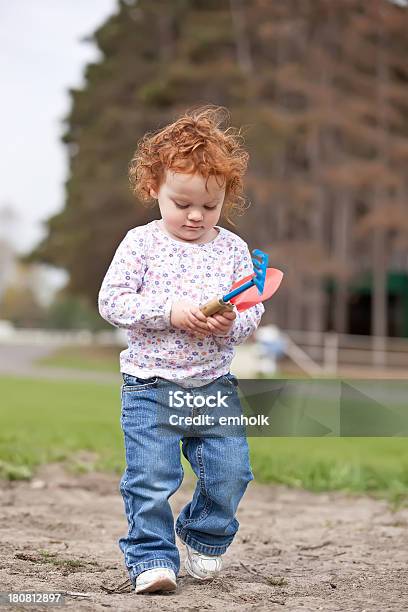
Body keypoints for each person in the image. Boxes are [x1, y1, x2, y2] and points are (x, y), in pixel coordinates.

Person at [98, 105, 265, 594]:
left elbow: (252, 310)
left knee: (232, 473)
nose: (195, 216)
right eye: (182, 203)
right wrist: (171, 312)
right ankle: (151, 558)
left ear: (224, 199)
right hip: (150, 386)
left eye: (209, 207)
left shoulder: (233, 250)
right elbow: (113, 301)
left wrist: (230, 322)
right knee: (151, 479)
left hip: (214, 385)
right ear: (154, 189)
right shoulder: (140, 244)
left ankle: (204, 535)